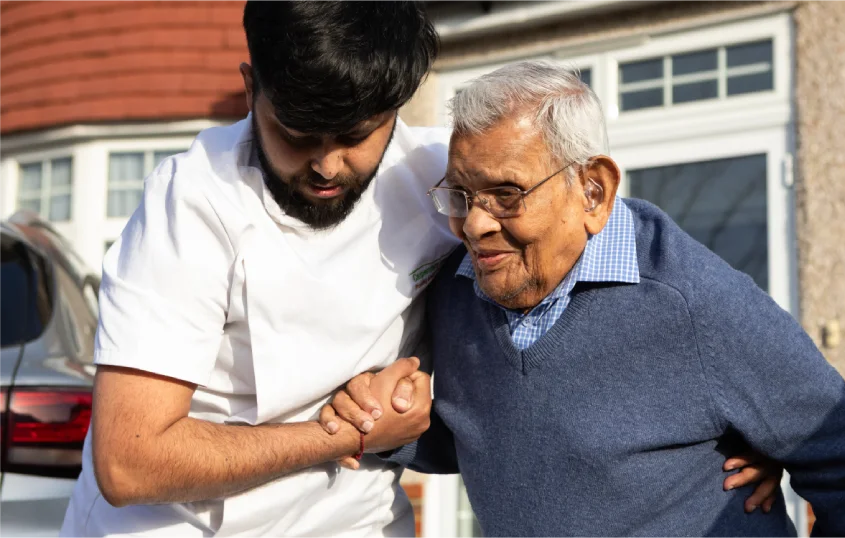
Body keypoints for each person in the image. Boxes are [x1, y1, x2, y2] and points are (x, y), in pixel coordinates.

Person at [59, 3, 777, 537]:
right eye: (296, 134)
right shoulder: (192, 197)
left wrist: (729, 415)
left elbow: (611, 242)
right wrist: (348, 435)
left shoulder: (439, 175)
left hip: (354, 521)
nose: (328, 165)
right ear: (251, 86)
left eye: (357, 135)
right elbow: (132, 462)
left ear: (397, 109)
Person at [327, 61, 845, 537]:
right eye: (460, 195)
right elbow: (498, 444)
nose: (475, 224)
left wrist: (774, 440)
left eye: (506, 194)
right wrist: (396, 428)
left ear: (593, 191)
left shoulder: (693, 303)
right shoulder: (461, 290)